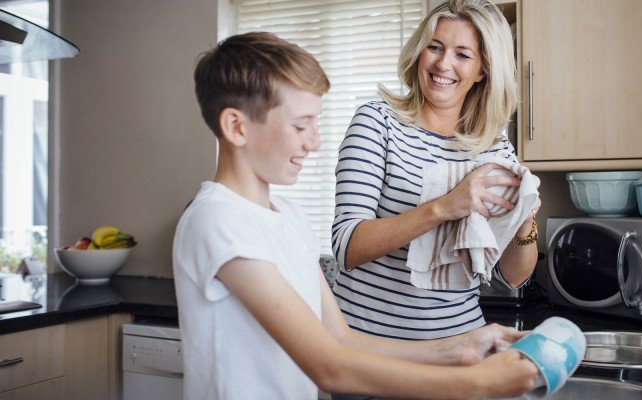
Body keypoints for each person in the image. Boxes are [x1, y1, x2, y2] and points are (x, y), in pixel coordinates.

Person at [173, 31, 539, 400]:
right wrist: (478, 384)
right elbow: (330, 367)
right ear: (237, 127)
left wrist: (459, 349)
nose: (314, 142)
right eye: (300, 125)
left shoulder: (289, 216)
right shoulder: (218, 221)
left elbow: (340, 338)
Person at [332, 0, 541, 340]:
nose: (444, 64)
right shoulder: (377, 123)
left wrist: (525, 222)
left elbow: (512, 277)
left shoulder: (494, 148)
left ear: (483, 71)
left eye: (463, 54)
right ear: (419, 51)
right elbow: (347, 247)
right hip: (371, 354)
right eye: (435, 47)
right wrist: (445, 207)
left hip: (460, 347)